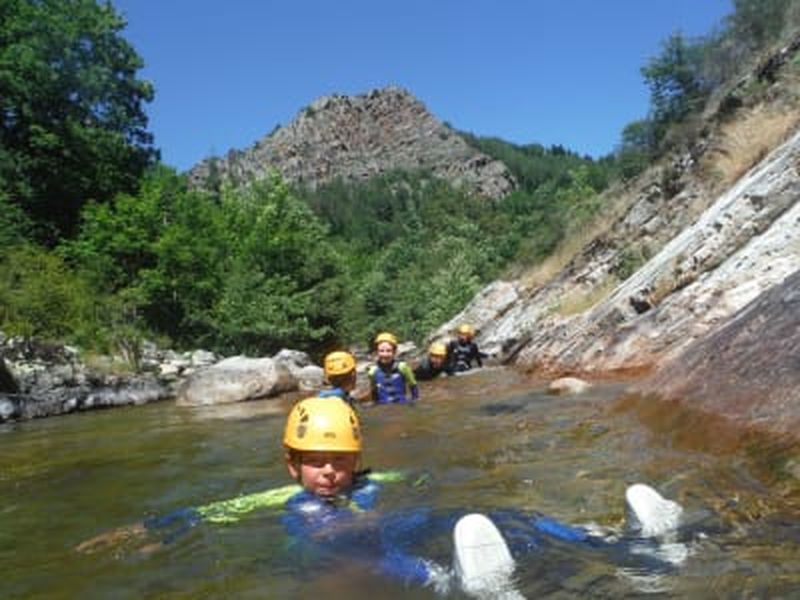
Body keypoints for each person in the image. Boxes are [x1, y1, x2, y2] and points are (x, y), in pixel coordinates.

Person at [368, 332, 419, 404]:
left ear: (394, 351)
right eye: (381, 351)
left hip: (402, 405)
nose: (385, 354)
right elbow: (373, 391)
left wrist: (414, 401)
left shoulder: (402, 367)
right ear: (377, 352)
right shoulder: (372, 371)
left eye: (389, 351)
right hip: (383, 407)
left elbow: (413, 385)